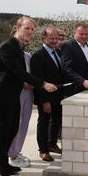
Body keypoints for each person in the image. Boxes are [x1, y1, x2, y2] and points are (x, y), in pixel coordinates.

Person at [0, 17, 57, 176]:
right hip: (5, 97)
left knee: (10, 130)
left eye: (32, 29)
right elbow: (19, 72)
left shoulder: (18, 48)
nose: (30, 32)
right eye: (27, 28)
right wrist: (43, 84)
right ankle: (4, 174)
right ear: (18, 27)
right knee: (5, 132)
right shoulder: (8, 47)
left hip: (13, 96)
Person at [31, 27, 65, 162]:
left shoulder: (57, 52)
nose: (55, 41)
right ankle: (43, 150)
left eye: (56, 38)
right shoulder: (38, 55)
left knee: (56, 121)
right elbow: (37, 80)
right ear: (44, 39)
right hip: (45, 96)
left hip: (58, 95)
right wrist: (43, 101)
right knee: (44, 122)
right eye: (52, 38)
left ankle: (52, 144)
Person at [6, 49, 33, 168]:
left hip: (29, 92)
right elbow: (8, 73)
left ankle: (17, 151)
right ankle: (12, 154)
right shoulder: (8, 53)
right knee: (15, 123)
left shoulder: (27, 55)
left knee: (24, 123)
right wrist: (22, 83)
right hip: (16, 92)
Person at [60, 23, 88, 96]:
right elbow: (66, 68)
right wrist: (82, 81)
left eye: (86, 34)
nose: (84, 36)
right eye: (81, 34)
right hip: (75, 89)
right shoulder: (68, 46)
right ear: (75, 33)